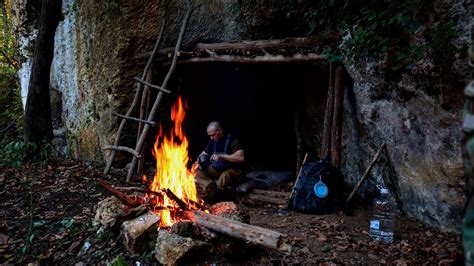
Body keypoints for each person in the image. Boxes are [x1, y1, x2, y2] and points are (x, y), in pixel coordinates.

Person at [194, 121, 245, 200]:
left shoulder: (233, 141)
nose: (211, 138)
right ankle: (210, 186)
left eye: (213, 135)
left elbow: (241, 158)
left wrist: (222, 156)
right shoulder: (212, 141)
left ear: (220, 130)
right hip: (217, 170)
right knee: (198, 172)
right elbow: (203, 153)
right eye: (210, 136)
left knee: (225, 175)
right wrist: (196, 162)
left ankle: (214, 193)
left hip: (233, 171)